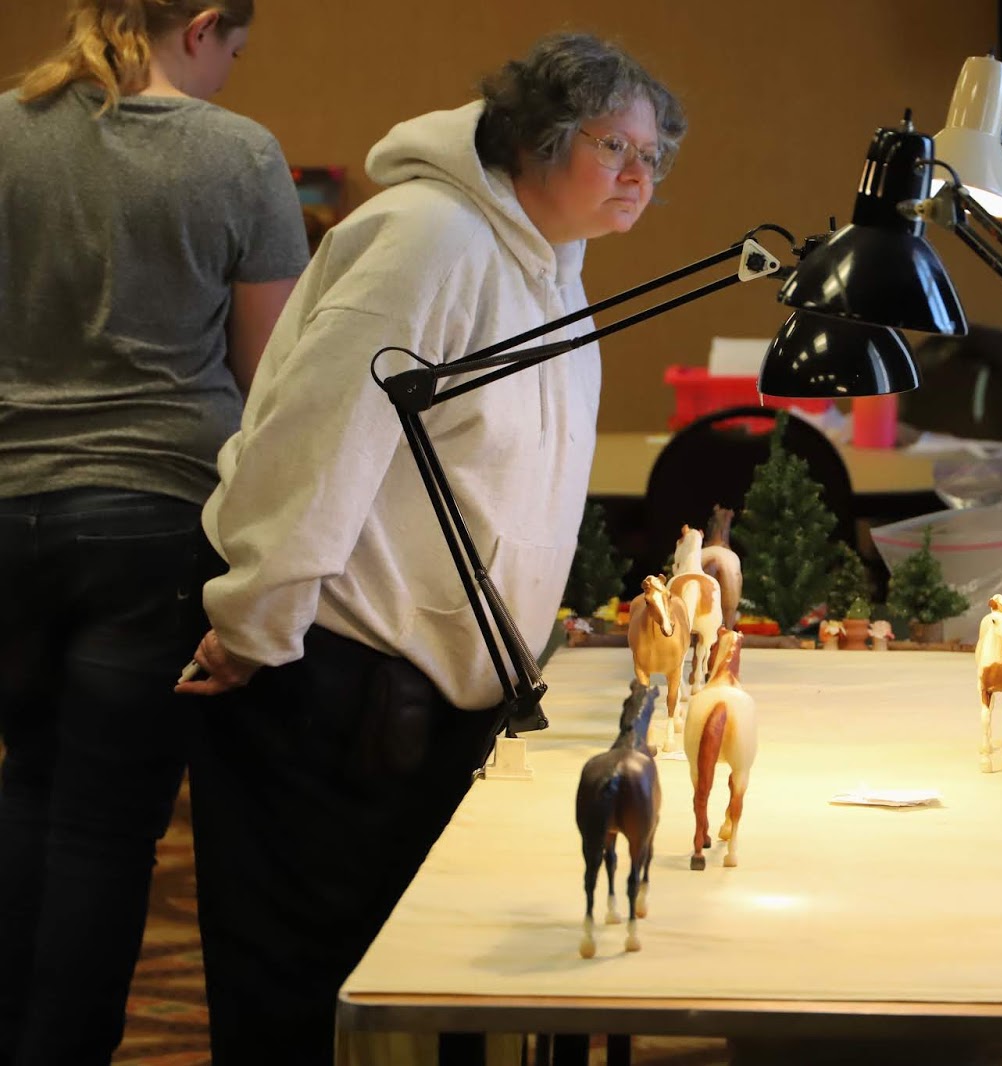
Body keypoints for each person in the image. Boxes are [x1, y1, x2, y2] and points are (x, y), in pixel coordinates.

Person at [173, 32, 685, 1064]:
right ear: (538, 138)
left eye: (655, 155)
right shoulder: (428, 238)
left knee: (403, 990)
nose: (640, 175)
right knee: (297, 992)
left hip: (424, 699)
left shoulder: (553, 265)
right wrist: (255, 621)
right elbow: (314, 442)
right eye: (616, 147)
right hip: (327, 679)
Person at [0, 3, 306, 1064]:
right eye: (234, 52)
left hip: (8, 507)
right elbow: (270, 379)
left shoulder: (5, 130)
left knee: (25, 785)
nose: (228, 75)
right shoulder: (239, 155)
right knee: (105, 826)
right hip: (153, 515)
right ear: (205, 25)